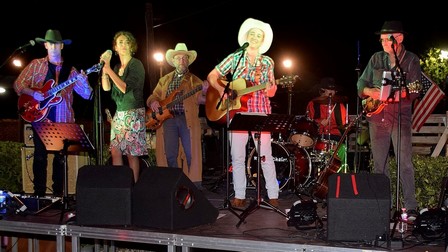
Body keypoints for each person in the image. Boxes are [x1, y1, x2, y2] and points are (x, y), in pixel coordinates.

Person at [207, 18, 279, 208]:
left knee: (265, 155)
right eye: (253, 34)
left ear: (263, 40)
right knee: (237, 156)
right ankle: (239, 195)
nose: (255, 38)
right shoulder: (235, 57)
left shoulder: (268, 61)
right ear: (247, 37)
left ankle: (273, 195)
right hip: (237, 112)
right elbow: (212, 76)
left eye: (259, 35)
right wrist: (223, 88)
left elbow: (271, 92)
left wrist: (269, 87)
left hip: (260, 110)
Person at [13, 29, 93, 197]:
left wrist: (85, 82)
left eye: (57, 43)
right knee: (40, 157)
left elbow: (86, 95)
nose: (54, 46)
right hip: (39, 117)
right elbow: (18, 85)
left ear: (62, 46)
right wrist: (33, 93)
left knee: (60, 159)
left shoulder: (70, 71)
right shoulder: (36, 65)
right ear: (46, 45)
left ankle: (58, 196)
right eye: (51, 43)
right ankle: (39, 196)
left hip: (62, 120)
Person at [357, 21, 420, 220]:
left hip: (400, 117)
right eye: (382, 39)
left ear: (399, 38)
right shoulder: (376, 58)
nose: (383, 42)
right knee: (379, 164)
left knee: (405, 163)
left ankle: (410, 207)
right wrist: (370, 92)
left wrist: (393, 95)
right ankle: (383, 205)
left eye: (387, 39)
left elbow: (415, 90)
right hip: (376, 117)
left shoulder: (410, 60)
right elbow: (361, 83)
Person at [146, 43, 209, 189]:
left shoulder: (195, 80)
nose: (182, 60)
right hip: (168, 120)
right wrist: (154, 102)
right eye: (178, 58)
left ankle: (193, 186)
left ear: (188, 61)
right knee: (170, 154)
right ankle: (173, 183)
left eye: (184, 58)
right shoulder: (164, 80)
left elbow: (201, 99)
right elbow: (152, 96)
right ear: (173, 61)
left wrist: (205, 90)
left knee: (190, 152)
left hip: (187, 120)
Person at [99, 30, 147, 182]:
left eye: (127, 42)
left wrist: (109, 71)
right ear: (115, 48)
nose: (124, 45)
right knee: (115, 151)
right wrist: (105, 70)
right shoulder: (116, 67)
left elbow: (125, 87)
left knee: (132, 154)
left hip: (133, 113)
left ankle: (133, 187)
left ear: (132, 46)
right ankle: (120, 186)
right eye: (120, 42)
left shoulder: (136, 64)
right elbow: (106, 88)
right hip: (119, 114)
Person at [306, 77, 348, 166]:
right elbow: (308, 121)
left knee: (343, 148)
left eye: (333, 90)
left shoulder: (339, 105)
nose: (331, 91)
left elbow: (344, 124)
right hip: (318, 136)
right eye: (329, 89)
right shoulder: (313, 104)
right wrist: (319, 121)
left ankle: (340, 174)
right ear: (323, 89)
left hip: (335, 136)